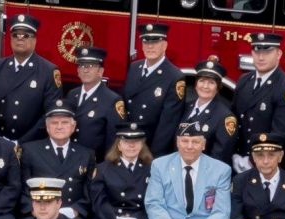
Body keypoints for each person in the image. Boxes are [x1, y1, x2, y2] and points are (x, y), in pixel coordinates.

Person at [0, 14, 62, 143]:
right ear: (10, 39)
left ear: (35, 40)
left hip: (32, 144)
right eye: (15, 35)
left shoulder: (48, 71)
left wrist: (21, 143)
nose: (20, 39)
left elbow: (50, 113)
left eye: (25, 35)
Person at [231, 33, 285, 173]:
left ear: (279, 54)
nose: (261, 57)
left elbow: (282, 134)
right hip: (238, 160)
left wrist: (251, 161)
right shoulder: (244, 80)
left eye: (267, 52)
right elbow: (233, 120)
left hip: (266, 166)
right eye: (257, 51)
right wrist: (233, 154)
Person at [19, 100, 94, 219]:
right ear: (47, 127)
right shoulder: (29, 150)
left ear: (73, 127)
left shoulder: (86, 154)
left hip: (73, 217)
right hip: (38, 215)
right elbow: (23, 188)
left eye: (65, 122)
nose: (59, 127)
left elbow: (90, 191)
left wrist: (75, 210)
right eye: (54, 123)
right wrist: (35, 211)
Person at [123, 23, 185, 156]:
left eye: (155, 42)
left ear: (165, 45)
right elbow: (125, 106)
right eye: (146, 42)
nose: (150, 46)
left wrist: (153, 156)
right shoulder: (134, 68)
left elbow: (167, 123)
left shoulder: (175, 77)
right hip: (128, 141)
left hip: (150, 146)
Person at [63, 47, 125, 155]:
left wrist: (106, 164)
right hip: (69, 157)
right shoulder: (72, 94)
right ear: (78, 71)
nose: (85, 70)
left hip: (95, 161)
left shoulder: (112, 100)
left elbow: (114, 140)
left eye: (90, 66)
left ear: (100, 71)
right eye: (82, 66)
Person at [180, 60, 238, 164]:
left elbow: (220, 156)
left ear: (218, 87)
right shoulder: (185, 107)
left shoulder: (225, 117)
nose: (205, 86)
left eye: (211, 82)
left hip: (205, 171)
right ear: (196, 84)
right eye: (202, 81)